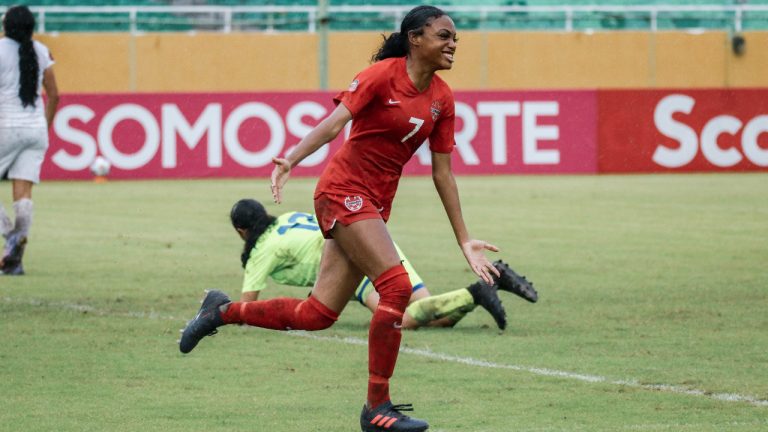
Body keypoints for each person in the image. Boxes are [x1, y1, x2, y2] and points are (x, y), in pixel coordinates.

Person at [180, 6, 496, 431]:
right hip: (341, 192)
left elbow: (443, 174)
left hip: (373, 204)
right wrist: (290, 158)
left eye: (455, 37)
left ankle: (220, 311)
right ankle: (376, 407)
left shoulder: (442, 99)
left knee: (317, 314)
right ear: (415, 38)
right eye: (443, 35)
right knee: (397, 287)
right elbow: (332, 126)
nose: (453, 43)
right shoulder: (381, 76)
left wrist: (464, 240)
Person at [230, 198, 538, 330]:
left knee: (399, 320)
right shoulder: (286, 219)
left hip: (355, 261)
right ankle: (487, 286)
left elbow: (247, 306)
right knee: (433, 314)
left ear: (242, 231)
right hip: (378, 241)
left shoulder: (261, 250)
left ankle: (477, 292)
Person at [0, 5, 59, 275]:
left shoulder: (0, 49)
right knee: (22, 193)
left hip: (6, 127)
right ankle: (15, 261)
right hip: (35, 129)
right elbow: (55, 94)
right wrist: (44, 126)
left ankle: (10, 235)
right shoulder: (41, 51)